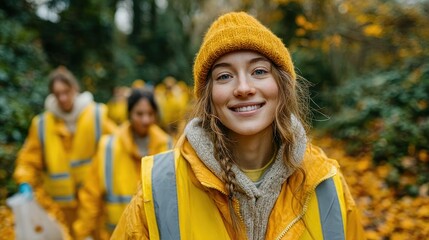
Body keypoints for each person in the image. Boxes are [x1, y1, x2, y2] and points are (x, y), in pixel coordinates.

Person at [111, 12, 365, 240]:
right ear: (209, 96)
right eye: (224, 76)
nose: (243, 88)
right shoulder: (160, 188)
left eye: (259, 71)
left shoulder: (326, 184)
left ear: (282, 86)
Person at [13, 66, 117, 239]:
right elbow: (28, 159)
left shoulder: (96, 115)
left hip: (93, 205)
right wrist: (25, 180)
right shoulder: (42, 124)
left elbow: (116, 148)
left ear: (75, 89)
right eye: (57, 94)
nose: (62, 98)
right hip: (59, 208)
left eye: (66, 92)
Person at [73, 89, 173, 239]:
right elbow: (91, 196)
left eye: (150, 114)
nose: (145, 120)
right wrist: (83, 233)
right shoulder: (108, 147)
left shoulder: (167, 146)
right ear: (129, 114)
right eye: (139, 114)